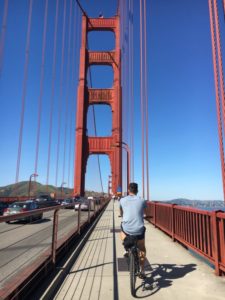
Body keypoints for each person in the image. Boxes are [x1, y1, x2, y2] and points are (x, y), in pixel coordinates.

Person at [119, 182, 147, 278]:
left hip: (127, 229)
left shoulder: (122, 200)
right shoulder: (142, 200)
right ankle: (142, 270)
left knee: (122, 228)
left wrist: (123, 215)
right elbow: (144, 213)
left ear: (128, 190)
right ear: (137, 190)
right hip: (139, 230)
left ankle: (126, 249)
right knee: (142, 247)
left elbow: (121, 212)